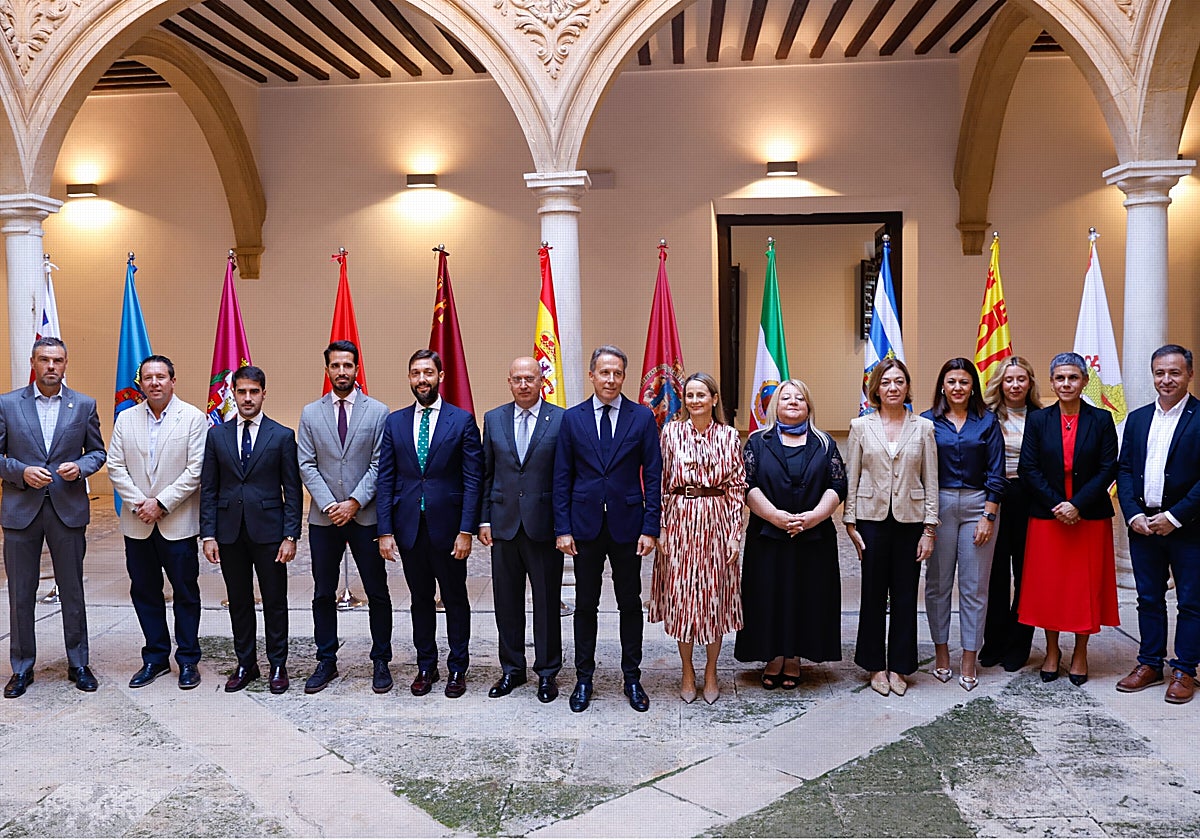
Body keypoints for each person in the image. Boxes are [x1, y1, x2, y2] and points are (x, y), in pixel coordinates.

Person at [554, 345, 662, 713]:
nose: (611, 379)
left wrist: (651, 528)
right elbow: (562, 477)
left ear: (624, 376)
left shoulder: (642, 417)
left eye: (617, 373)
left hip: (628, 527)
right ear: (592, 375)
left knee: (629, 604)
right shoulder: (573, 418)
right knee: (585, 605)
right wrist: (562, 529)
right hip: (584, 527)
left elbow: (654, 475)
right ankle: (584, 678)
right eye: (604, 372)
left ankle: (632, 677)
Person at [1, 337, 107, 699]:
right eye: (44, 359)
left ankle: (78, 663)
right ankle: (21, 667)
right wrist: (20, 472)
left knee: (72, 591)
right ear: (33, 362)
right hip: (20, 511)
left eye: (57, 360)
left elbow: (97, 452)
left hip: (67, 510)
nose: (51, 366)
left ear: (66, 364)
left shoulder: (84, 405)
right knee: (20, 593)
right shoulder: (8, 404)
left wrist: (79, 466)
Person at [377, 349, 482, 699]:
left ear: (441, 376)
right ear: (409, 378)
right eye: (415, 373)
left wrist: (466, 530)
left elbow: (472, 480)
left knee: (454, 598)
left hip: (450, 530)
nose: (422, 379)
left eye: (428, 373)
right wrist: (385, 531)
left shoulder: (462, 420)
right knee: (420, 599)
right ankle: (426, 665)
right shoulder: (394, 422)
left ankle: (457, 668)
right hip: (409, 529)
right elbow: (386, 478)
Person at [733, 379, 845, 694]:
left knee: (806, 595)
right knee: (769, 595)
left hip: (814, 537)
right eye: (786, 398)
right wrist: (776, 517)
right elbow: (747, 484)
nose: (793, 402)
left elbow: (837, 485)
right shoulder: (756, 442)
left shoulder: (825, 443)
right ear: (774, 406)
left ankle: (794, 656)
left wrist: (812, 518)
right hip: (768, 535)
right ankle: (773, 653)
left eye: (800, 398)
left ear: (809, 406)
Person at [200, 365, 303, 694]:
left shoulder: (282, 435)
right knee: (239, 601)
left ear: (263, 393)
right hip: (230, 534)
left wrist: (291, 535)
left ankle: (277, 664)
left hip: (271, 534)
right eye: (241, 391)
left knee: (275, 601)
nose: (247, 398)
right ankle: (246, 663)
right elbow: (209, 489)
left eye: (253, 391)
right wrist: (208, 534)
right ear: (233, 393)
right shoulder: (217, 436)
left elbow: (293, 490)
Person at [1018, 352, 1119, 686]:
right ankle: (1051, 651)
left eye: (1073, 378)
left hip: (1088, 518)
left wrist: (1076, 504)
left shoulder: (1102, 420)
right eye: (1059, 378)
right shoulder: (1037, 420)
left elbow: (1109, 467)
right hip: (1049, 519)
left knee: (1083, 588)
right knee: (1050, 588)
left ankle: (1080, 652)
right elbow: (1027, 468)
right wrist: (1058, 505)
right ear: (1051, 382)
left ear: (1085, 381)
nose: (1066, 384)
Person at [107, 354, 207, 690]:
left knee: (185, 593)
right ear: (141, 383)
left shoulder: (193, 418)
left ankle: (189, 659)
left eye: (161, 377)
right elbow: (115, 467)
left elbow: (196, 471)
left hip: (177, 523)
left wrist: (161, 503)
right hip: (137, 524)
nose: (154, 383)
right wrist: (142, 505)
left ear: (172, 381)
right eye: (148, 378)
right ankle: (155, 658)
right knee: (145, 592)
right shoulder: (126, 419)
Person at [297, 341, 392, 695]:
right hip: (325, 520)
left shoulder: (378, 411)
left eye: (347, 366)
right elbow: (306, 463)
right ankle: (326, 659)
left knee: (377, 591)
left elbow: (380, 463)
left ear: (357, 369)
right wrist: (330, 504)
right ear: (327, 370)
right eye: (335, 366)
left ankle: (381, 659)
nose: (341, 372)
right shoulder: (310, 413)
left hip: (365, 516)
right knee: (323, 591)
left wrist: (353, 502)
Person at [844, 358, 938, 697]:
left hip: (911, 521)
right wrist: (850, 522)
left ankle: (900, 665)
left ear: (907, 387)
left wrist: (930, 529)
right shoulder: (860, 426)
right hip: (871, 520)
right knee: (872, 594)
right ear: (876, 390)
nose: (893, 388)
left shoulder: (924, 428)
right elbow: (852, 475)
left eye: (899, 382)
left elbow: (931, 479)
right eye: (886, 383)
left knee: (904, 595)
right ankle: (874, 665)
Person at [652, 372, 746, 704]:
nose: (695, 401)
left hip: (717, 522)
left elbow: (736, 488)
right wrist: (659, 527)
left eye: (701, 395)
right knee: (683, 600)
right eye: (689, 395)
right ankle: (687, 670)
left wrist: (735, 534)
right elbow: (660, 482)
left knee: (713, 599)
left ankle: (710, 671)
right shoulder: (670, 432)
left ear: (714, 399)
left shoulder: (730, 436)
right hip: (679, 520)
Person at [1116, 344, 1200, 704]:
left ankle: (1184, 670)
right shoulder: (1136, 419)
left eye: (1174, 373)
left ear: (1189, 375)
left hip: (1189, 526)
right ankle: (1149, 663)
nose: (1166, 380)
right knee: (1148, 598)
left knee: (1191, 602)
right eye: (1160, 373)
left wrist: (1175, 517)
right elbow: (1124, 469)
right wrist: (1134, 514)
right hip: (1143, 524)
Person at [479, 357, 565, 703]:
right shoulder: (494, 419)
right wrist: (483, 519)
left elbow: (564, 476)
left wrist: (564, 525)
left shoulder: (560, 419)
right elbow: (486, 473)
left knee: (546, 603)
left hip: (544, 527)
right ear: (509, 382)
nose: (524, 384)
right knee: (507, 603)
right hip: (503, 525)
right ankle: (512, 669)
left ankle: (547, 673)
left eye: (530, 378)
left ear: (541, 380)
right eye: (517, 379)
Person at [921, 358, 1006, 691]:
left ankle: (969, 657)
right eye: (952, 381)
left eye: (964, 382)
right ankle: (942, 654)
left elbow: (996, 472)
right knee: (937, 584)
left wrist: (989, 514)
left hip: (977, 506)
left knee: (974, 587)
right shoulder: (927, 422)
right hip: (938, 505)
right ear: (943, 385)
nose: (958, 388)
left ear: (974, 387)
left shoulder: (986, 422)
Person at [979, 356, 1043, 672]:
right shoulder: (987, 417)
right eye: (1009, 379)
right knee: (994, 575)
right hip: (994, 498)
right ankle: (994, 642)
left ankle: (1019, 644)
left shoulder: (1043, 418)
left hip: (1030, 499)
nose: (1015, 385)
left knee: (1027, 574)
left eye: (1021, 379)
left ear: (1030, 382)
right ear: (999, 384)